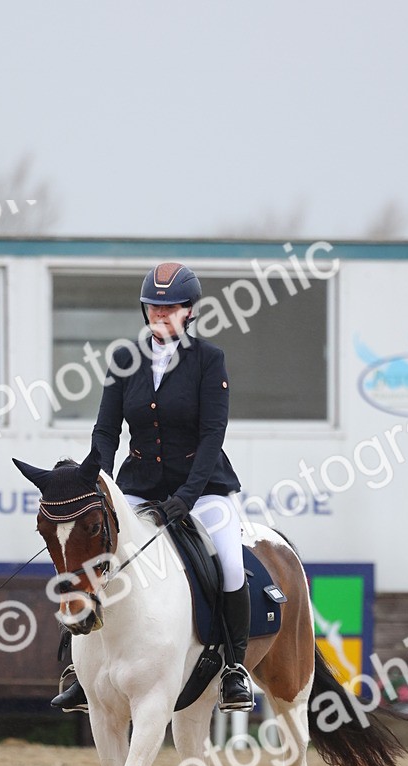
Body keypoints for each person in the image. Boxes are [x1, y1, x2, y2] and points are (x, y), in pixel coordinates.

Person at [53, 261, 254, 714]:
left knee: (230, 563)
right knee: (92, 553)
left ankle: (234, 669)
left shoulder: (209, 360)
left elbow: (211, 436)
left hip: (202, 489)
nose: (161, 315)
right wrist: (96, 483)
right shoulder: (124, 359)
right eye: (154, 307)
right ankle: (75, 667)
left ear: (189, 311)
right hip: (139, 486)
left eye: (172, 308)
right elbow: (107, 431)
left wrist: (185, 499)